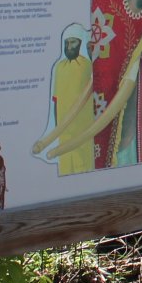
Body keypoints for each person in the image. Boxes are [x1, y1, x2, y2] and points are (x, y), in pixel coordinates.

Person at [31, 23, 94, 175]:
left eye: (73, 42)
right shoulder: (59, 67)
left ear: (80, 43)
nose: (69, 46)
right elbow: (56, 99)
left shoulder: (87, 66)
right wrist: (57, 126)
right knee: (66, 168)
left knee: (83, 168)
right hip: (63, 132)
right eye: (66, 42)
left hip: (82, 131)